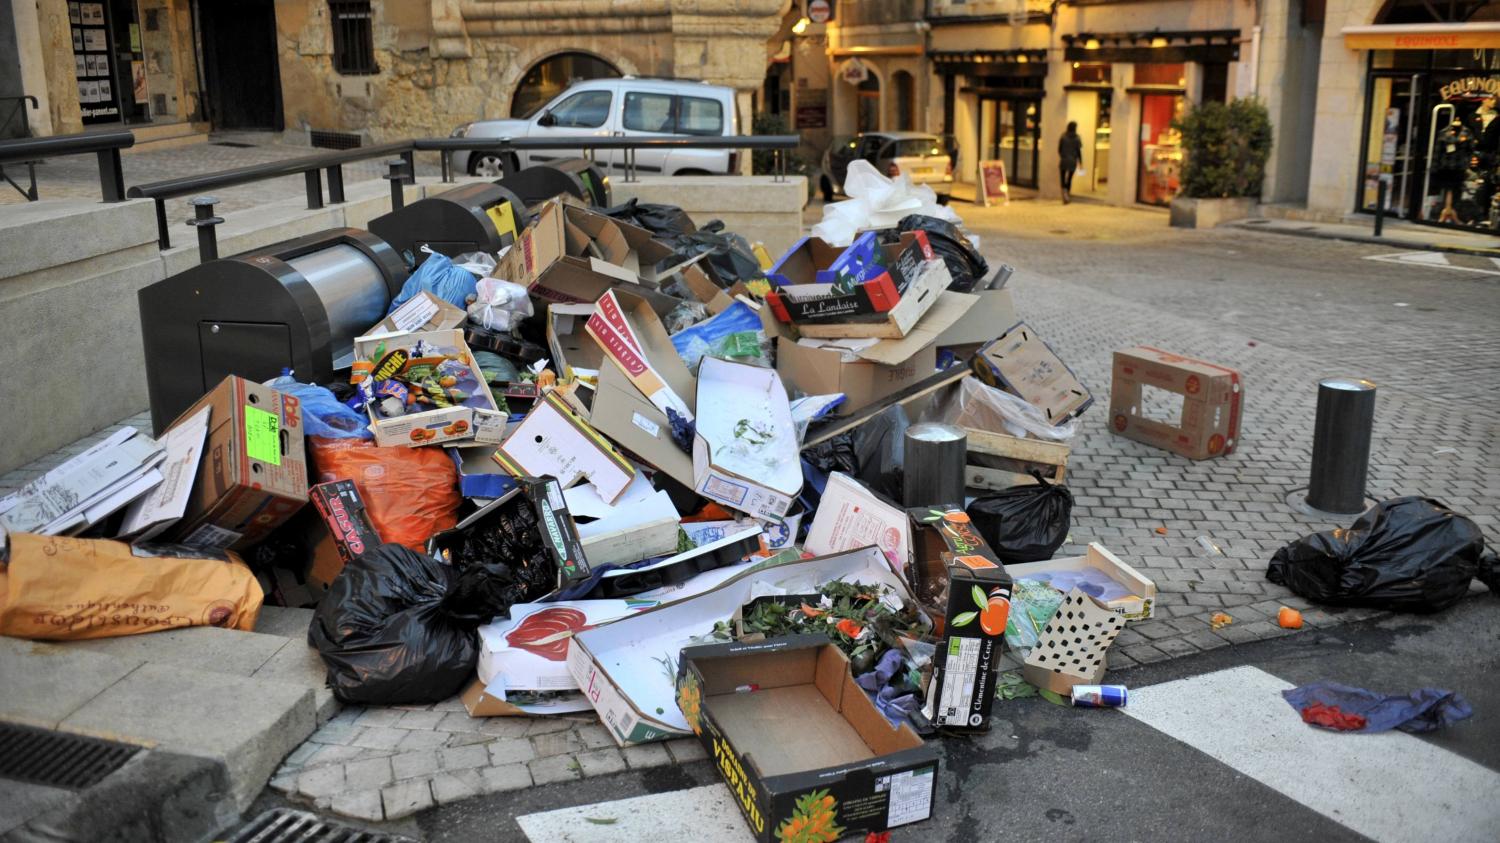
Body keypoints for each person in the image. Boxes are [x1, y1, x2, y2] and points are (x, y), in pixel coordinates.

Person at [1058, 121, 1084, 204]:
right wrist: (1080, 162)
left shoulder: (1063, 136)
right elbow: (1079, 151)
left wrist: (1063, 156)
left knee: (1062, 178)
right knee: (1069, 179)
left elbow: (1059, 149)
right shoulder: (1077, 138)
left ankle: (1064, 193)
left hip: (1064, 160)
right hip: (1072, 161)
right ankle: (1067, 194)